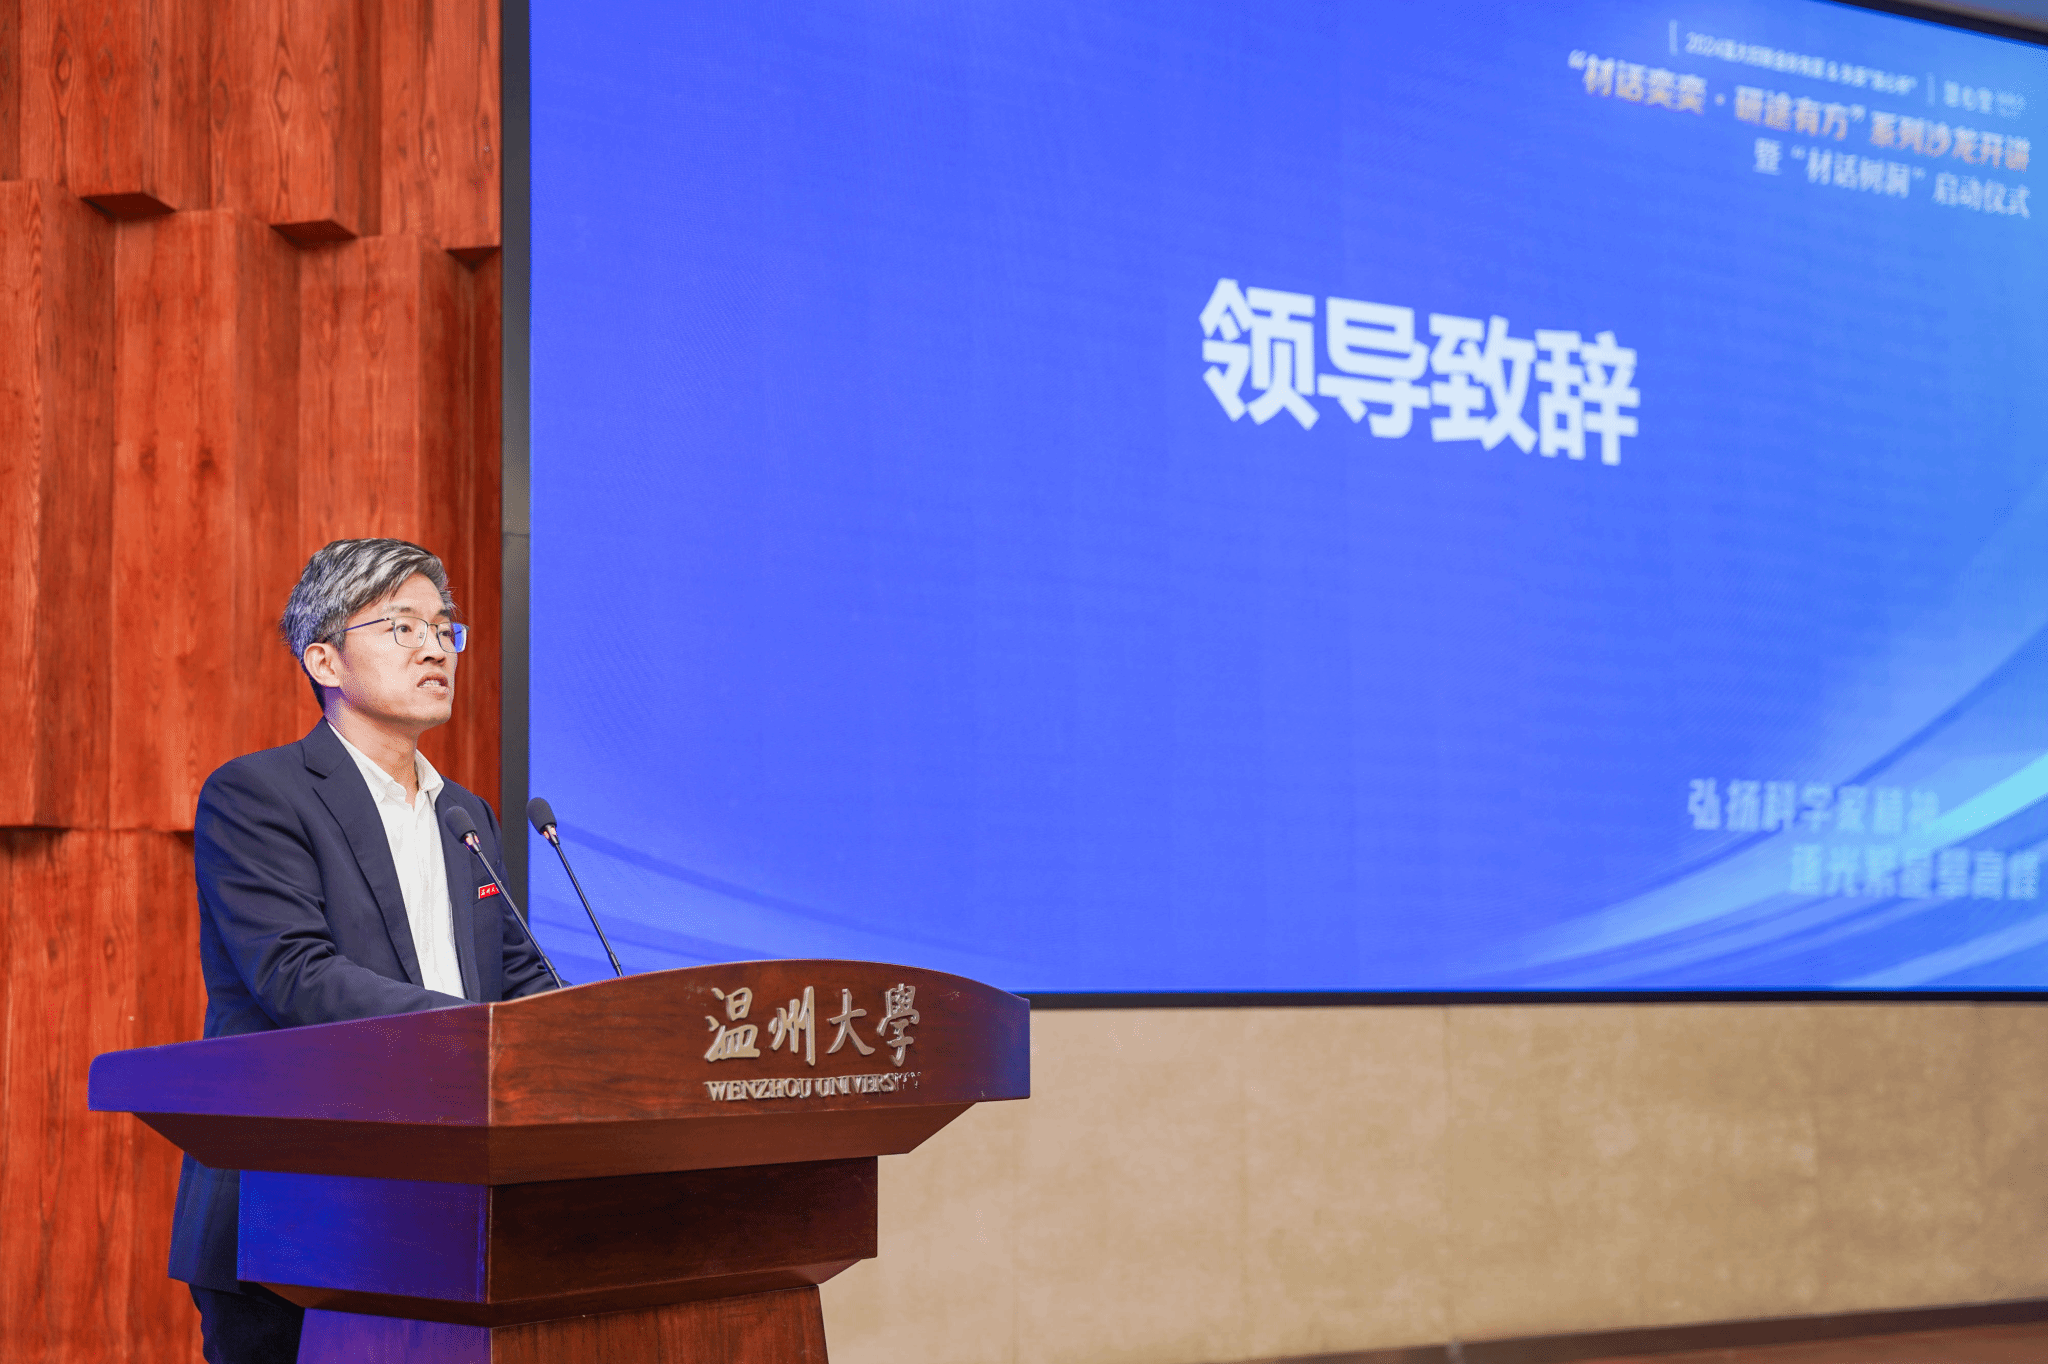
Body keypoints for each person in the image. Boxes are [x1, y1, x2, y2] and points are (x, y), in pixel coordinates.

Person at [168, 539, 559, 1364]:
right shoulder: (259, 795)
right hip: (295, 1218)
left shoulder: (466, 816)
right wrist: (478, 1035)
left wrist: (599, 1033)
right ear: (325, 660)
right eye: (403, 626)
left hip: (452, 1208)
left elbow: (518, 976)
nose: (434, 647)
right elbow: (297, 978)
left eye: (444, 628)